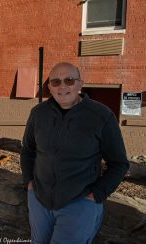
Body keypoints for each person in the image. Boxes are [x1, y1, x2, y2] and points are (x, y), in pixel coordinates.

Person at [20, 62, 129, 244]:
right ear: (49, 87)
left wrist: (97, 194)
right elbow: (28, 151)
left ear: (80, 84)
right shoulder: (38, 113)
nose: (62, 86)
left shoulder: (101, 116)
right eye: (55, 82)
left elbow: (119, 164)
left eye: (69, 80)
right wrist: (29, 183)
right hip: (39, 200)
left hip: (79, 202)